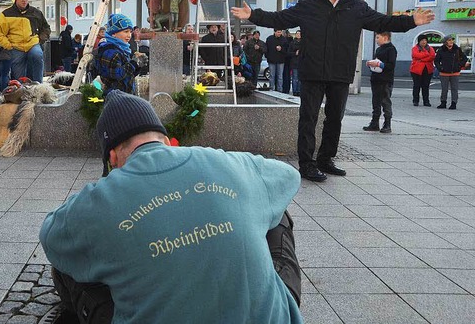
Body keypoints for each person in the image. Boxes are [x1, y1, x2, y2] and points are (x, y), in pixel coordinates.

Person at [40, 90, 302, 324]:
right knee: (275, 211)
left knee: (67, 264)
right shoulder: (225, 161)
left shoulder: (100, 198)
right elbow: (287, 177)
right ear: (165, 140)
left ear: (112, 157)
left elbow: (51, 236)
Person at [231, 0, 435, 182]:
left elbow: (382, 21)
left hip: (340, 72)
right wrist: (253, 15)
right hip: (312, 71)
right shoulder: (308, 4)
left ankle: (325, 159)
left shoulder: (356, 7)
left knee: (335, 118)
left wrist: (411, 21)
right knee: (308, 118)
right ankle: (307, 164)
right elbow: (280, 18)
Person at [0, 0, 51, 82]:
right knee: (18, 77)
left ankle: (39, 84)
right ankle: (20, 91)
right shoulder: (6, 14)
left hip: (32, 43)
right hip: (15, 47)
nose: (24, 0)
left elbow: (46, 28)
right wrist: (9, 46)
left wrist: (40, 40)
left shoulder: (36, 12)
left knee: (37, 55)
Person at [94, 14, 144, 95]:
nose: (129, 35)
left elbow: (128, 75)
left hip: (124, 96)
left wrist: (138, 65)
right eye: (126, 31)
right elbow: (117, 75)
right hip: (115, 98)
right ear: (113, 33)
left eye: (130, 32)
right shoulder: (110, 51)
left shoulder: (122, 50)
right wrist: (133, 63)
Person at [363, 32, 397, 134]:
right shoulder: (379, 49)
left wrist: (379, 64)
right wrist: (371, 64)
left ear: (385, 37)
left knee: (385, 101)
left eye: (378, 37)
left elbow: (391, 66)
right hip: (376, 78)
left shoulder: (391, 49)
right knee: (376, 101)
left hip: (385, 80)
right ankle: (374, 123)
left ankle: (387, 124)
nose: (376, 40)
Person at [434, 35, 467, 110]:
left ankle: (453, 103)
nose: (451, 41)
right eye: (449, 40)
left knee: (454, 89)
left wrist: (459, 66)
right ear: (445, 42)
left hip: (455, 73)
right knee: (444, 89)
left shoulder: (457, 49)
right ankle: (443, 102)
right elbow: (436, 61)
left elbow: (464, 59)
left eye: (452, 40)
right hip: (444, 73)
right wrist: (440, 68)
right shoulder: (441, 50)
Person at [409, 34, 435, 107]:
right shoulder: (415, 48)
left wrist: (422, 59)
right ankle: (415, 101)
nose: (424, 42)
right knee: (416, 86)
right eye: (422, 40)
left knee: (426, 86)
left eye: (425, 40)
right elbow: (416, 55)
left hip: (428, 69)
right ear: (419, 41)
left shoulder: (430, 48)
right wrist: (426, 54)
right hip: (416, 70)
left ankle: (426, 101)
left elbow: (432, 56)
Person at [288, 30, 302, 96]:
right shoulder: (292, 43)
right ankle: (294, 91)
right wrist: (295, 53)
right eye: (297, 34)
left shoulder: (304, 42)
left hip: (301, 63)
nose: (298, 35)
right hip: (294, 62)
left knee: (300, 78)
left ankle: (299, 91)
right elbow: (288, 53)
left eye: (299, 34)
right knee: (294, 78)